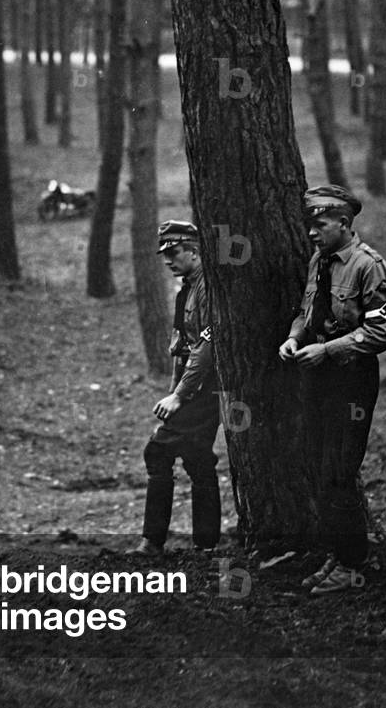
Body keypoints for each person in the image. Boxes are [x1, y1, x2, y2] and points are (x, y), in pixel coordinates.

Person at [279, 185, 386, 594]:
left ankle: (352, 564)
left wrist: (327, 350)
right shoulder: (320, 261)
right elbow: (307, 311)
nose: (311, 233)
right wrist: (295, 337)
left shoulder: (369, 266)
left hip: (351, 378)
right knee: (316, 465)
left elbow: (383, 330)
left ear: (344, 224)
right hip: (318, 377)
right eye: (309, 225)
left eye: (320, 224)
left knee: (339, 471)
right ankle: (338, 554)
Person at [128, 221, 221, 557]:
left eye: (174, 252)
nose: (167, 259)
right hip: (195, 384)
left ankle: (153, 542)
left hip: (209, 384)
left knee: (158, 451)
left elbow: (207, 347)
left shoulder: (208, 287)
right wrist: (174, 391)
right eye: (165, 253)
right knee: (198, 459)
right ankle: (205, 546)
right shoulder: (188, 288)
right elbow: (182, 348)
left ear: (194, 251)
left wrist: (180, 395)